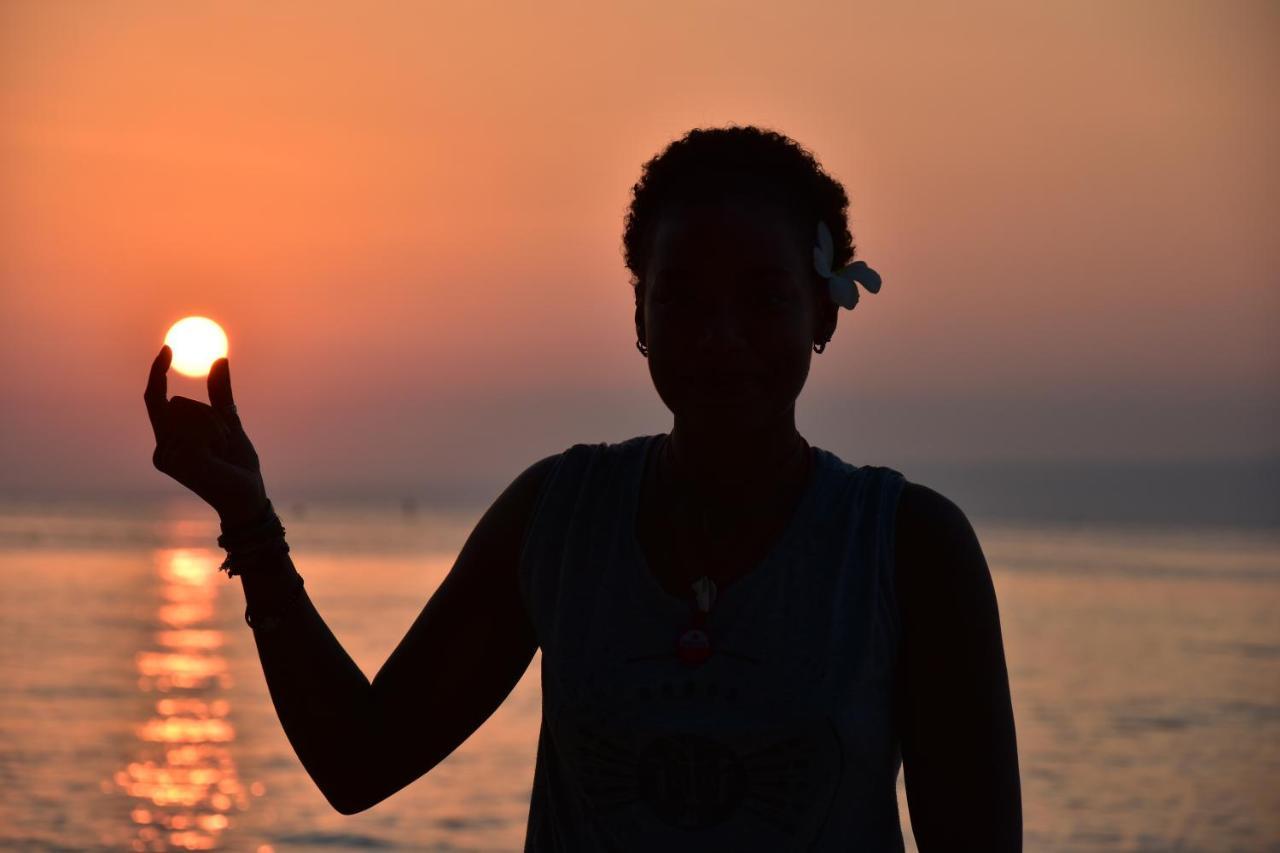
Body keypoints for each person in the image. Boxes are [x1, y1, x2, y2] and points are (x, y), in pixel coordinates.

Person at [143, 124, 1021, 851]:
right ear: (638, 314)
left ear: (822, 313)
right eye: (682, 300)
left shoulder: (906, 548)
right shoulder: (561, 519)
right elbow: (359, 760)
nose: (720, 337)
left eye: (761, 300)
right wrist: (251, 521)